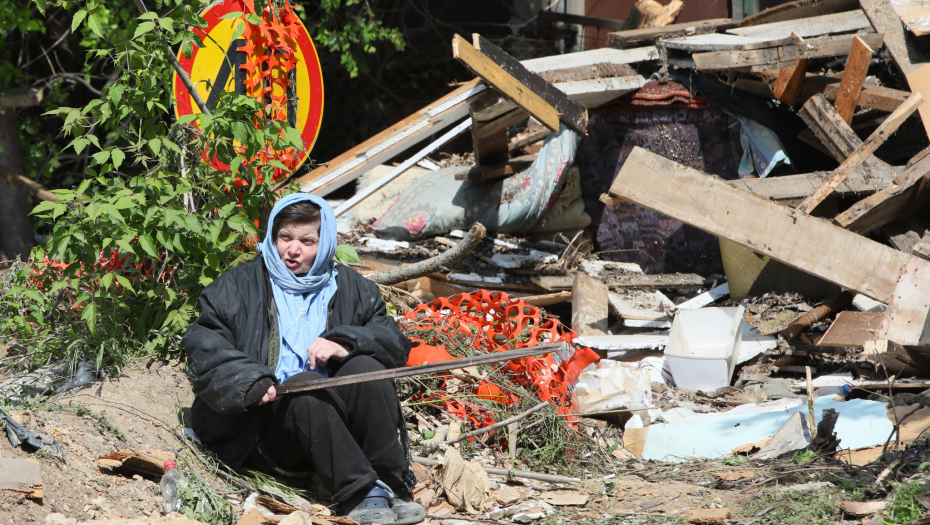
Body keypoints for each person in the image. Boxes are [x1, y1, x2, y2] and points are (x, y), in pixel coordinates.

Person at [183, 193, 424, 525]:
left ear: (324, 244)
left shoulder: (355, 289)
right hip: (265, 429)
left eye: (306, 241)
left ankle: (391, 486)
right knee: (303, 387)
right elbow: (204, 344)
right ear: (272, 235)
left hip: (338, 428)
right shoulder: (236, 286)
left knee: (366, 368)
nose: (292, 250)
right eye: (285, 237)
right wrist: (250, 381)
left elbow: (393, 342)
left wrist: (346, 343)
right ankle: (360, 494)